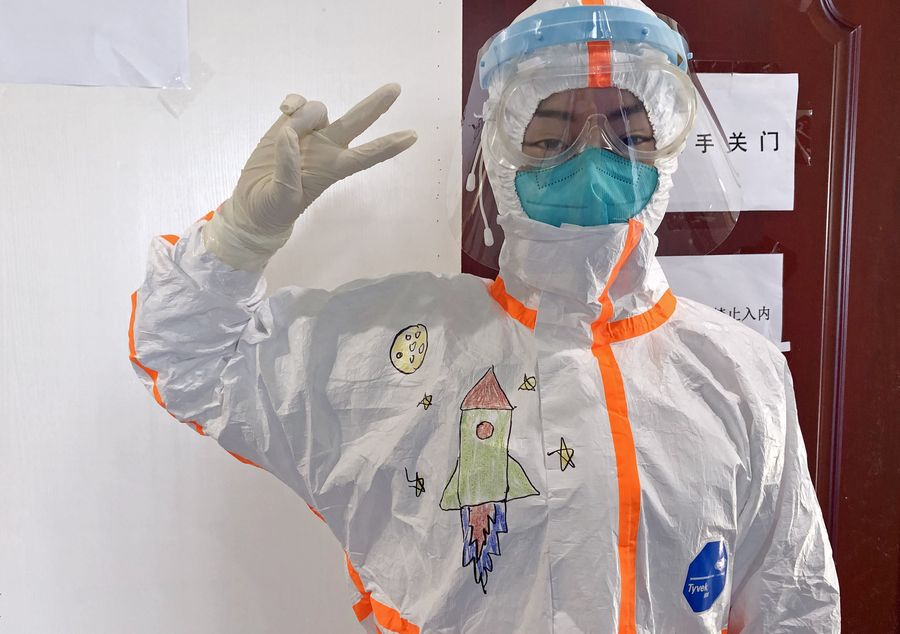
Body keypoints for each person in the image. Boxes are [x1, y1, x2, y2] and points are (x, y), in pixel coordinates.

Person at [128, 0, 841, 631]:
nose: (593, 157)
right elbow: (195, 359)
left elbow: (792, 604)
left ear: (670, 145)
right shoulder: (398, 349)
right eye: (551, 135)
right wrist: (241, 237)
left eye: (629, 132)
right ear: (501, 153)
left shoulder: (738, 374)